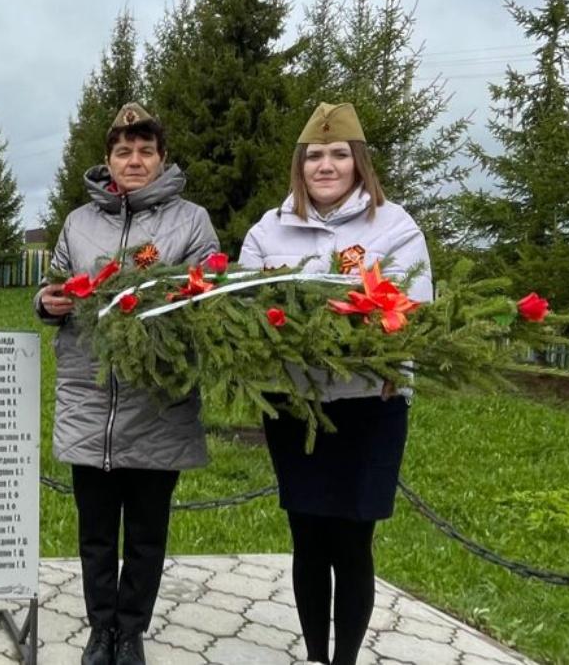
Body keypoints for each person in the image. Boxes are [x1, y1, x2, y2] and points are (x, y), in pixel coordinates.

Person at [237, 102, 433, 665]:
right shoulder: (268, 231)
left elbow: (410, 305)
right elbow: (247, 309)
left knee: (352, 541)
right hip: (294, 404)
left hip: (370, 404)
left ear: (358, 162)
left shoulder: (394, 226)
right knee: (308, 536)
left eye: (338, 154)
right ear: (299, 165)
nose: (326, 165)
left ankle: (344, 659)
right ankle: (316, 657)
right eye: (315, 155)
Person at [35, 103, 219, 665]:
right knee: (94, 529)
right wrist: (47, 301)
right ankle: (100, 628)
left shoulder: (191, 221)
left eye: (145, 151)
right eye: (123, 151)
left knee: (145, 532)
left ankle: (131, 629)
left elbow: (210, 294)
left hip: (156, 399)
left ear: (161, 158)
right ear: (108, 159)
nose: (134, 161)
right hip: (90, 393)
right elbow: (54, 285)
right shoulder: (78, 223)